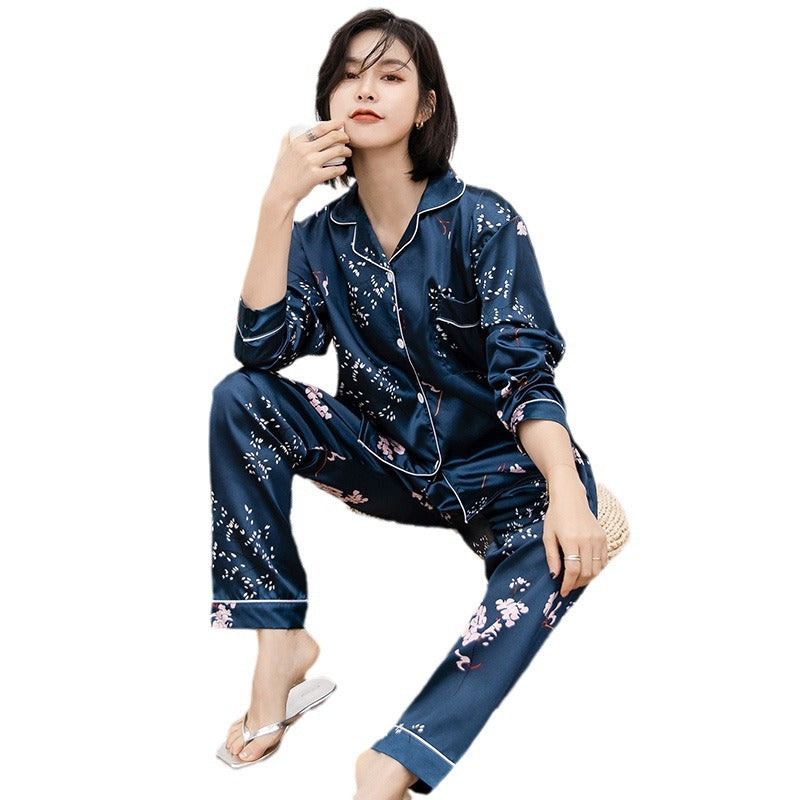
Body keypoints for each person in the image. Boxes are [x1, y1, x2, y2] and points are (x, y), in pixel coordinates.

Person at [209, 8, 609, 798]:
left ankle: (397, 758)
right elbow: (260, 351)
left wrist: (567, 490)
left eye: (390, 75)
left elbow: (526, 375)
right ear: (328, 100)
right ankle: (279, 644)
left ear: (425, 106)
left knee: (557, 557)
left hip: (500, 475)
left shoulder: (483, 221)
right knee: (239, 398)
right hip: (388, 465)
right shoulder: (320, 240)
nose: (366, 89)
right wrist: (276, 206)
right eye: (349, 75)